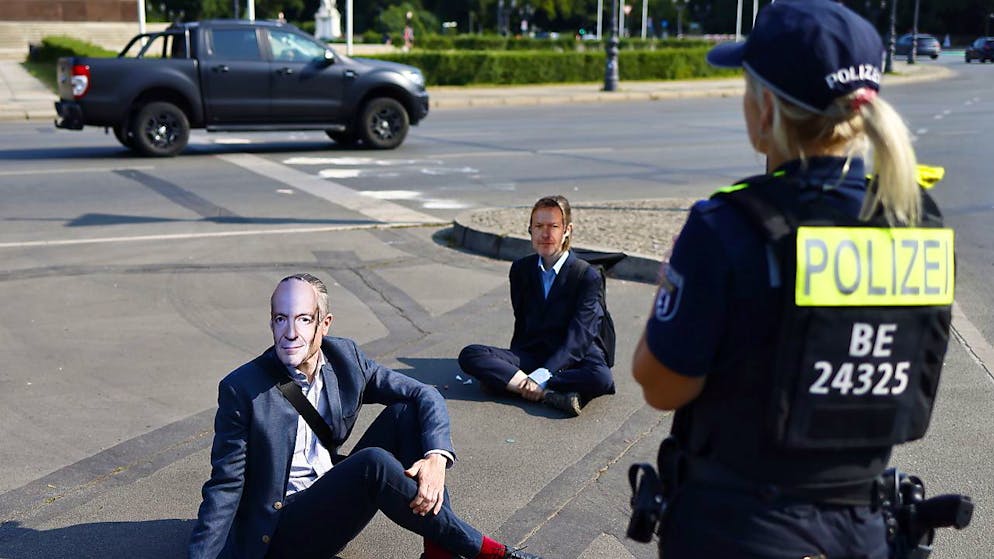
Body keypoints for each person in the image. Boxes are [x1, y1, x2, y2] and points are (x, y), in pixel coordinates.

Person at [631, 1, 955, 557]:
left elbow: (662, 386)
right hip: (865, 531)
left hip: (739, 529)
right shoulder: (916, 218)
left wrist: (671, 288)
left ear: (765, 108)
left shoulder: (727, 226)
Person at [188, 273, 542, 559]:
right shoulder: (242, 388)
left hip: (333, 498)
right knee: (372, 462)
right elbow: (225, 484)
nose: (290, 333)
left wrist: (436, 458)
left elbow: (424, 392)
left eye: (303, 319)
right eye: (280, 319)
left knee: (407, 412)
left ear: (324, 324)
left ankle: (439, 550)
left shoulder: (345, 358)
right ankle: (486, 551)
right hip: (283, 530)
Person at [459, 196, 616, 417]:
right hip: (534, 352)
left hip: (572, 356)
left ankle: (512, 383)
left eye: (553, 226)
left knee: (601, 378)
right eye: (539, 226)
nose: (545, 234)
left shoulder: (586, 275)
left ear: (567, 230)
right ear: (530, 230)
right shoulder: (521, 269)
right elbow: (522, 319)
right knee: (471, 354)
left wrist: (544, 373)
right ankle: (549, 394)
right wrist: (528, 370)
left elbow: (580, 336)